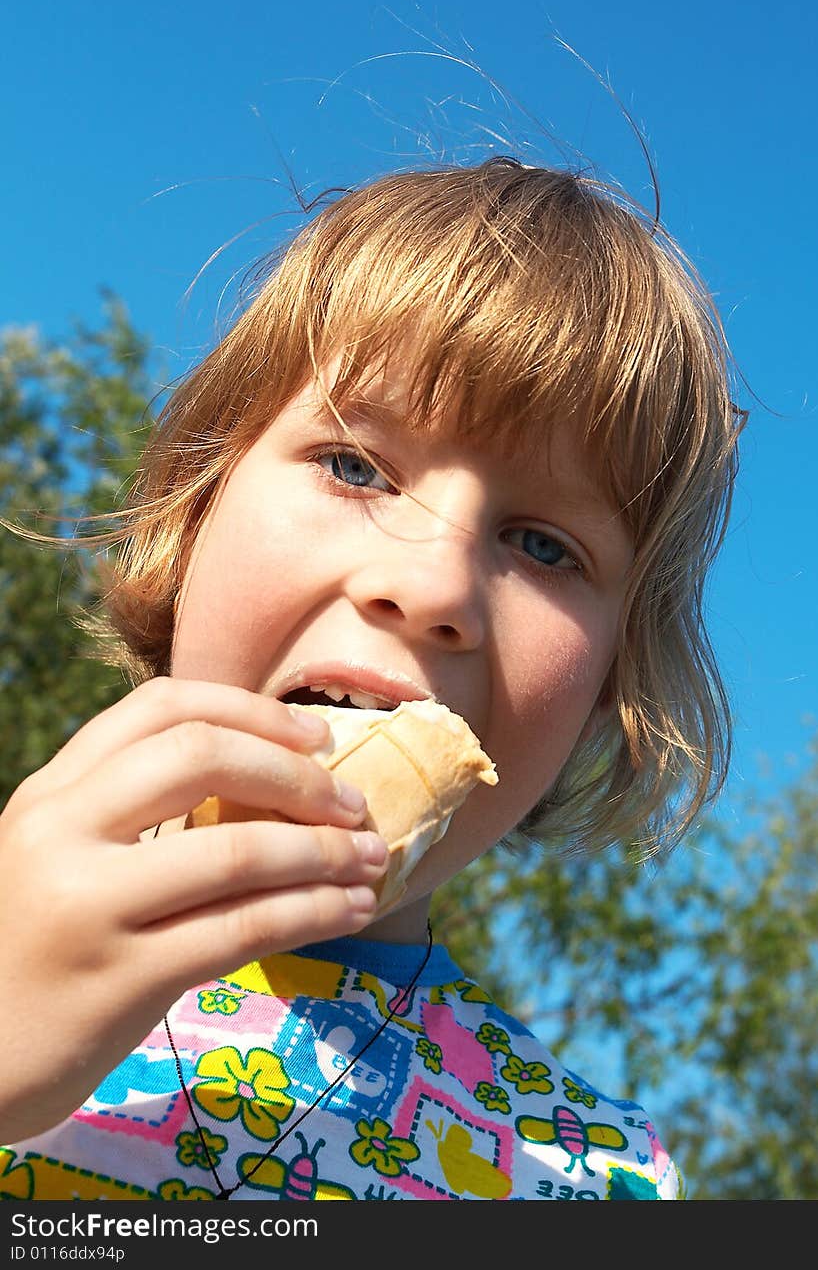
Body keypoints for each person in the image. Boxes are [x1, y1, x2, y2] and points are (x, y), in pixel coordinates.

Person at [0, 156, 743, 1202]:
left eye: (541, 544)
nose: (432, 584)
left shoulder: (592, 1169)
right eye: (355, 466)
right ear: (194, 498)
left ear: (606, 687)